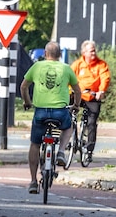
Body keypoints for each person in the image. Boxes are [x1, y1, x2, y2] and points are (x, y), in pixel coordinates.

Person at [21, 41, 81, 194]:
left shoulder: (37, 66)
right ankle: (61, 151)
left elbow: (23, 86)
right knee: (68, 127)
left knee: (35, 143)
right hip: (60, 112)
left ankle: (33, 181)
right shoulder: (66, 68)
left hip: (40, 112)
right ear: (60, 55)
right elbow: (77, 90)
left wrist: (27, 102)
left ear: (45, 54)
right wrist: (76, 105)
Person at [70, 40, 111, 163]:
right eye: (91, 50)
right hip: (78, 95)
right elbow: (69, 77)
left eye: (94, 50)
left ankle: (89, 150)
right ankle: (70, 139)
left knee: (92, 122)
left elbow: (105, 78)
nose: (94, 52)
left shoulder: (101, 65)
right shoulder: (77, 64)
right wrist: (69, 90)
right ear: (84, 52)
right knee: (67, 113)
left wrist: (101, 91)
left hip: (92, 96)